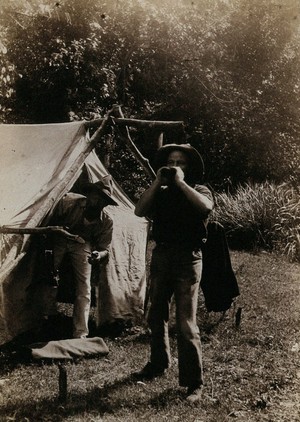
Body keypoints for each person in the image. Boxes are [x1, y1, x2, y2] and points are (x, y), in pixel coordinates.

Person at [134, 143, 214, 403]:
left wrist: (180, 183)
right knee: (156, 313)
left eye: (181, 162)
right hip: (162, 256)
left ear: (188, 167)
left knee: (185, 322)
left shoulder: (198, 189)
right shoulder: (161, 191)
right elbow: (139, 209)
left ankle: (194, 383)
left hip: (188, 258)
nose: (175, 166)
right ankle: (159, 362)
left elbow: (206, 208)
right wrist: (158, 182)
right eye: (171, 162)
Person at [49, 175, 118, 339]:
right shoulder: (69, 202)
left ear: (106, 203)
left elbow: (105, 249)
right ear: (89, 194)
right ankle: (44, 319)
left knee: (85, 286)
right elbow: (48, 222)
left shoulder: (107, 220)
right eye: (95, 195)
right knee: (48, 276)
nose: (97, 201)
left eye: (103, 199)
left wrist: (98, 255)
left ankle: (80, 332)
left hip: (82, 243)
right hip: (58, 238)